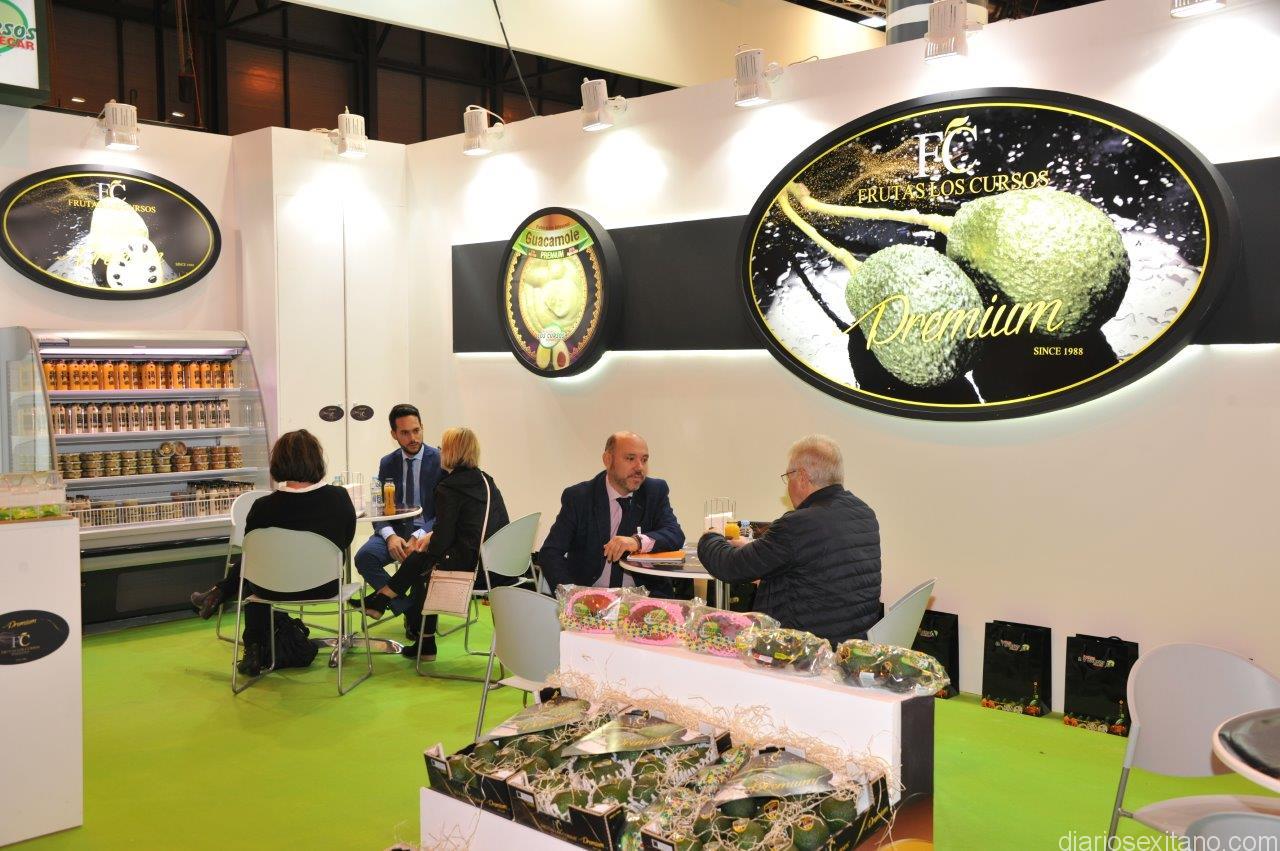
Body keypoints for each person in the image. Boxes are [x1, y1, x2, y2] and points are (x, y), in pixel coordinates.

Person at [190, 430, 357, 676]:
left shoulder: (262, 507)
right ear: (317, 460)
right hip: (323, 586)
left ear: (278, 462)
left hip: (270, 588)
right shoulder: (338, 498)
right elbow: (345, 540)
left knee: (253, 571)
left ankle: (251, 647)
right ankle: (220, 594)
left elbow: (253, 551)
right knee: (254, 567)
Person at [696, 435, 880, 645]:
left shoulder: (798, 523)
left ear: (802, 476)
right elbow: (815, 572)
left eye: (788, 476)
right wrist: (754, 549)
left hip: (801, 650)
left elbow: (730, 566)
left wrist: (710, 536)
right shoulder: (863, 513)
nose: (788, 485)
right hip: (849, 644)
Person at [351, 427, 510, 661]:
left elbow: (441, 544)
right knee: (421, 559)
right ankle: (393, 611)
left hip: (471, 570)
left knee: (422, 564)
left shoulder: (449, 488)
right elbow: (491, 523)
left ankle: (386, 602)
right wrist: (431, 537)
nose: (439, 451)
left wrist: (428, 541)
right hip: (494, 564)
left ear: (451, 452)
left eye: (443, 447)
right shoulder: (486, 480)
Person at [537, 431, 684, 597]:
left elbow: (675, 534)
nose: (639, 467)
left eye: (644, 460)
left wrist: (637, 542)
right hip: (591, 597)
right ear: (608, 460)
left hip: (643, 598)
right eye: (630, 458)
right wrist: (573, 596)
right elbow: (550, 553)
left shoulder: (654, 491)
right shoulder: (580, 497)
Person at [352, 403, 442, 634]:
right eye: (405, 433)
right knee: (364, 557)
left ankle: (389, 603)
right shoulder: (387, 462)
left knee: (420, 565)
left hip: (427, 532)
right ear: (394, 434)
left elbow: (444, 512)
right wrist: (390, 536)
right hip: (395, 531)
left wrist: (419, 535)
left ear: (422, 427)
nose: (413, 438)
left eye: (416, 430)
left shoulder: (440, 459)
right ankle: (408, 608)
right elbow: (379, 507)